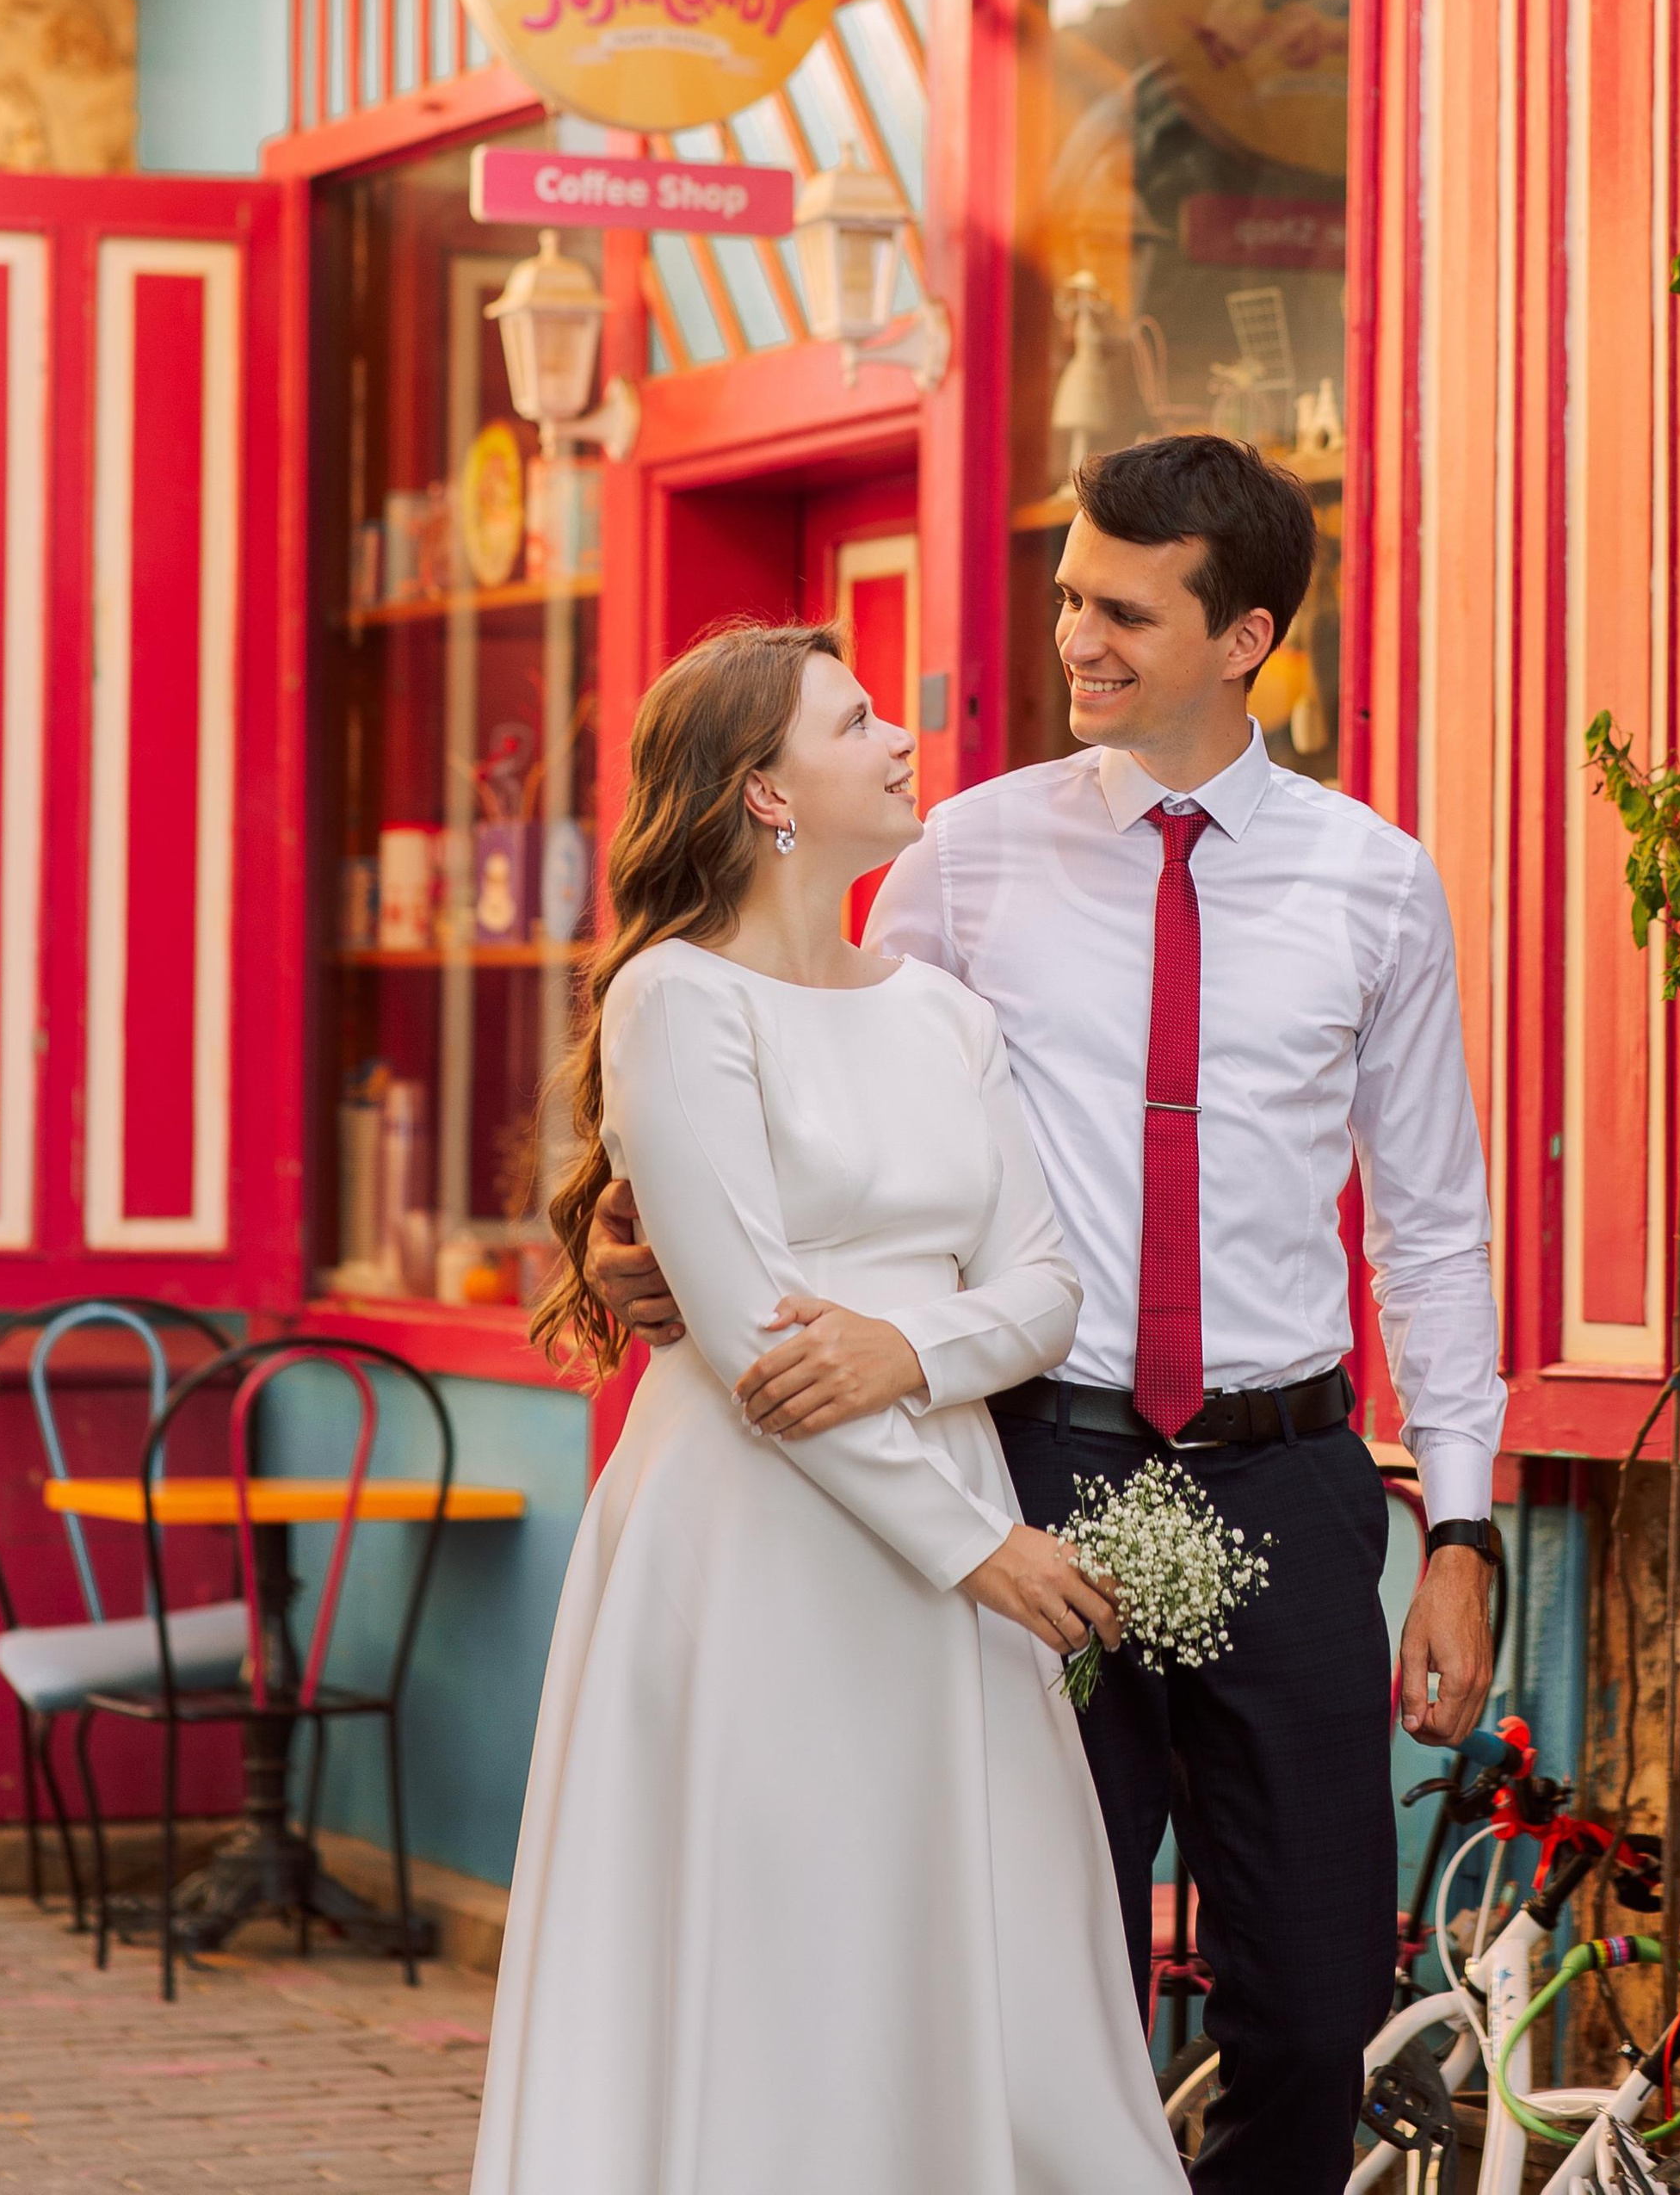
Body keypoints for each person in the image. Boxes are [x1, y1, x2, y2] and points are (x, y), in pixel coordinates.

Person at [591, 436, 1506, 2195]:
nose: (1073, 637)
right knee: (1018, 1984)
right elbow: (819, 1105)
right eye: (1069, 593)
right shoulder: (966, 854)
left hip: (1287, 1481)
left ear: (1243, 637)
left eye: (1122, 611)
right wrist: (662, 1263)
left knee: (1315, 2003)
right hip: (1026, 1473)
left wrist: (1459, 1531)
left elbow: (1435, 1230)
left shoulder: (1375, 884)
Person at [471, 621, 1185, 2195]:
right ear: (766, 792)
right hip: (755, 1547)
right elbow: (751, 1342)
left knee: (978, 1936)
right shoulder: (676, 1001)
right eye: (856, 722)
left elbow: (1049, 1290)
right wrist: (979, 1551)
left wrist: (908, 1349)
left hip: (943, 1537)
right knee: (774, 1931)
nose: (900, 738)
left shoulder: (943, 1014)